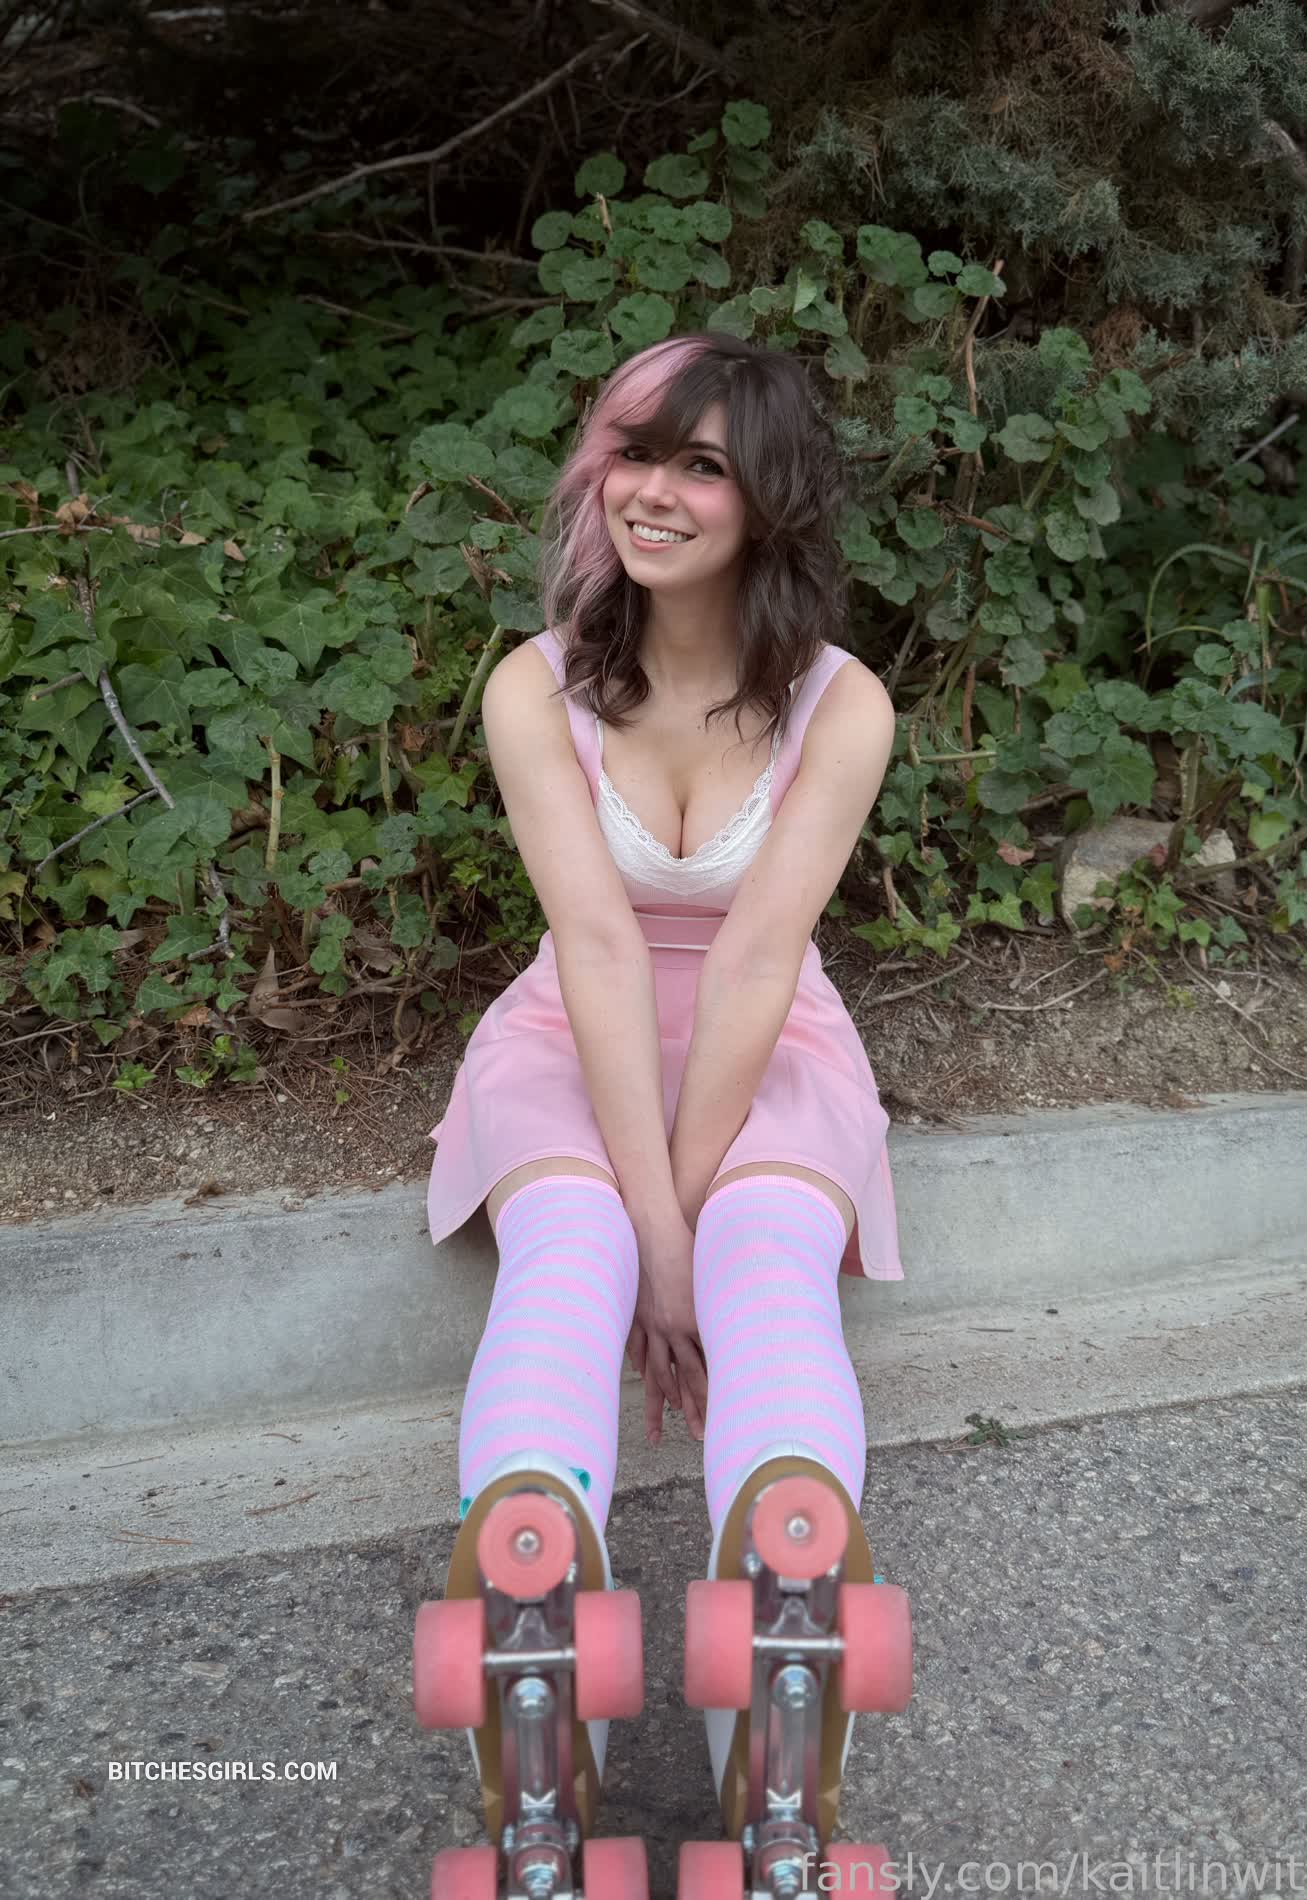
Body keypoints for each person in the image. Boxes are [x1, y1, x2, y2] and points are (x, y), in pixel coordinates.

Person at [421, 330, 910, 1892]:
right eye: (634, 452)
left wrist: (682, 1229)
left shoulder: (840, 704)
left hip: (771, 1043)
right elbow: (598, 946)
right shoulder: (536, 684)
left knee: (760, 1252)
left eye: (700, 466)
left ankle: (764, 1617)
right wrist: (647, 1224)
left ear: (769, 500)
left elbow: (758, 959)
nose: (651, 491)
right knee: (575, 1242)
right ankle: (548, 1609)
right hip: (576, 1030)